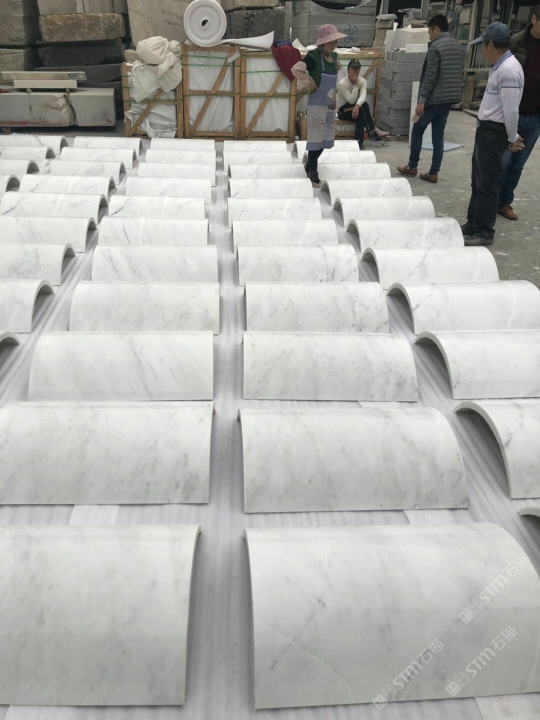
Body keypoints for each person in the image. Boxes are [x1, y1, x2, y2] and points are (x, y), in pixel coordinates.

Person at [463, 23, 524, 246]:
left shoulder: (508, 70)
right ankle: (473, 223)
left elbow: (511, 110)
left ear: (490, 45)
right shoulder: (500, 67)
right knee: (478, 181)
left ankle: (484, 231)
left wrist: (512, 137)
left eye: (483, 46)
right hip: (486, 130)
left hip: (493, 132)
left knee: (487, 184)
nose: (482, 51)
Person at [397, 14, 465, 184]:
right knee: (438, 136)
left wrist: (421, 101)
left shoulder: (435, 47)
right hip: (448, 99)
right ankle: (434, 172)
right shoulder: (458, 47)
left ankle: (412, 166)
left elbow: (430, 76)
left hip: (433, 99)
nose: (429, 36)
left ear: (436, 29)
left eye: (429, 32)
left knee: (417, 129)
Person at [498, 7, 540, 220]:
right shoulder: (516, 43)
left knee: (518, 164)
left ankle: (505, 202)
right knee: (503, 161)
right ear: (534, 19)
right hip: (512, 113)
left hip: (535, 117)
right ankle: (490, 199)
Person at [291, 24, 347, 187]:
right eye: (330, 42)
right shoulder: (314, 56)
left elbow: (335, 68)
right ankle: (313, 175)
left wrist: (337, 66)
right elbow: (296, 69)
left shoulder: (334, 56)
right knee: (315, 141)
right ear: (322, 42)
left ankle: (309, 166)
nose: (333, 45)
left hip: (330, 105)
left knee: (325, 140)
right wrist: (309, 83)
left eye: (335, 42)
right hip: (316, 105)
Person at [337, 59, 386, 149]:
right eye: (353, 69)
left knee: (362, 108)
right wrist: (356, 85)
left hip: (355, 108)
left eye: (358, 68)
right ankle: (371, 132)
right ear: (348, 70)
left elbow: (363, 96)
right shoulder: (342, 84)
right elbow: (351, 100)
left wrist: (357, 106)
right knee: (361, 108)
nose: (355, 71)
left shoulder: (363, 81)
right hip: (343, 110)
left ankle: (359, 141)